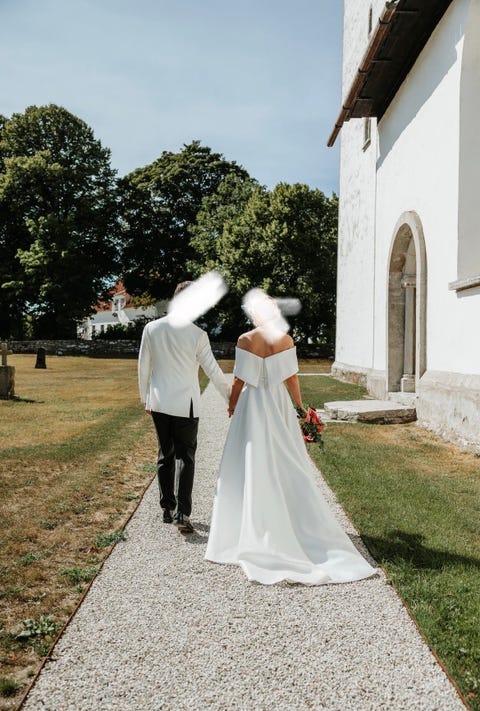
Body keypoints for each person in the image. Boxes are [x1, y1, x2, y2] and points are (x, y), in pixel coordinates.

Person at [205, 292, 376, 585]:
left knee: (249, 460)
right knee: (285, 457)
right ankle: (291, 518)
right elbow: (291, 378)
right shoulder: (285, 339)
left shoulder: (245, 340)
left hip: (253, 405)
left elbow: (240, 379)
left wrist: (232, 404)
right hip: (278, 404)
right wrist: (300, 409)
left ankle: (248, 527)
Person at [138, 281, 230, 534]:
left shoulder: (152, 328)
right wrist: (229, 398)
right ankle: (182, 513)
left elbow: (143, 367)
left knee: (164, 455)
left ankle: (167, 508)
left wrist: (145, 398)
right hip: (186, 406)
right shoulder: (197, 335)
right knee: (185, 458)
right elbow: (213, 371)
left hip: (159, 402)